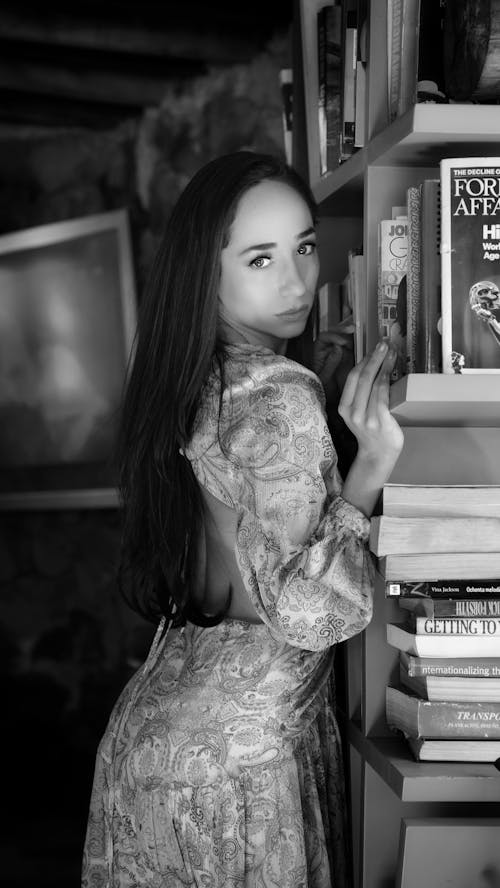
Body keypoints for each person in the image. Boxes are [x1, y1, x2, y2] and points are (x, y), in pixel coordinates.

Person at [82, 151, 404, 887]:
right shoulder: (279, 394)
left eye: (304, 247)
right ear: (209, 274)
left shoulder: (200, 378)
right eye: (260, 260)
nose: (296, 282)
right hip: (238, 765)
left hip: (154, 742)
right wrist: (370, 472)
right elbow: (304, 611)